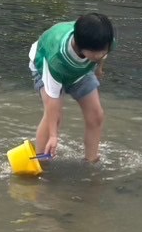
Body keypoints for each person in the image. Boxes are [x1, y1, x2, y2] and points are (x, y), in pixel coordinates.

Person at [30, 13, 114, 164]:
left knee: (96, 115)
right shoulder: (56, 59)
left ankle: (91, 161)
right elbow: (52, 100)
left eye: (104, 50)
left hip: (80, 70)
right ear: (79, 46)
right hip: (45, 64)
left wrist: (99, 68)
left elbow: (103, 54)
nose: (101, 54)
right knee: (54, 119)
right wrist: (54, 136)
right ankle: (40, 162)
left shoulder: (103, 40)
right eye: (96, 52)